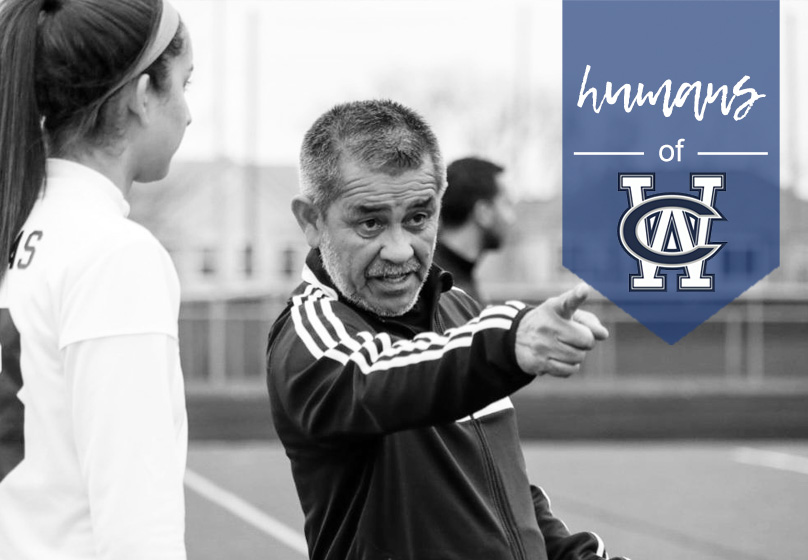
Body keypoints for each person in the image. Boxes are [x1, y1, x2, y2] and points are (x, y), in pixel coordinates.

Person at [267, 99, 628, 560]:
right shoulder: (308, 334)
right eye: (370, 222)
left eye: (418, 218)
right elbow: (378, 377)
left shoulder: (459, 310)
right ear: (312, 221)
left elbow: (500, 485)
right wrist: (505, 339)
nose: (400, 250)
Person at [0, 1, 193, 558]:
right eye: (184, 83)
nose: (187, 112)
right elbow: (137, 528)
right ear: (141, 97)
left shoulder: (20, 224)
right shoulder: (113, 254)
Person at [434, 156, 515, 302]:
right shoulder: (443, 289)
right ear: (483, 212)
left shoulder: (446, 277)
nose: (512, 218)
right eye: (506, 204)